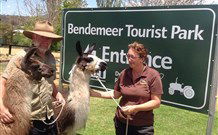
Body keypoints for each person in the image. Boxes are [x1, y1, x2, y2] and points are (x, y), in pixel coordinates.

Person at [0, 20, 66, 135]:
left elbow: (50, 82)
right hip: (30, 120)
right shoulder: (21, 58)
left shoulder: (50, 58)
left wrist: (57, 94)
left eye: (49, 38)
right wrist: (1, 108)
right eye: (42, 37)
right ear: (34, 37)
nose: (46, 41)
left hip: (49, 116)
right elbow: (2, 82)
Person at [90, 41, 163, 135]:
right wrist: (93, 93)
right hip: (121, 123)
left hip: (142, 127)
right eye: (128, 56)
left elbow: (156, 102)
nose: (129, 59)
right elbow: (115, 94)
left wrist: (135, 108)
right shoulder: (124, 73)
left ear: (142, 59)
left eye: (132, 57)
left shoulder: (153, 75)